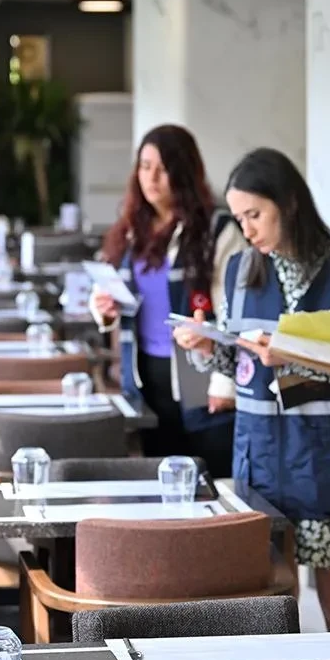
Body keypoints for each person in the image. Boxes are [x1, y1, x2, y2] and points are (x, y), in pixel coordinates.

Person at [174, 147, 330, 631]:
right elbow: (239, 364)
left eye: (255, 215)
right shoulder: (238, 272)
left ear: (289, 203)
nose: (247, 230)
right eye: (239, 218)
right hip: (263, 456)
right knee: (275, 603)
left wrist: (296, 355)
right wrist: (203, 344)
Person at [90, 124, 247, 478]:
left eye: (163, 168)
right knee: (162, 489)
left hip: (202, 380)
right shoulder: (132, 229)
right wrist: (104, 309)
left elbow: (237, 311)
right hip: (145, 378)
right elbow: (109, 289)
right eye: (145, 167)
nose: (152, 178)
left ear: (185, 172)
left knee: (212, 485)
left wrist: (226, 383)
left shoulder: (218, 231)